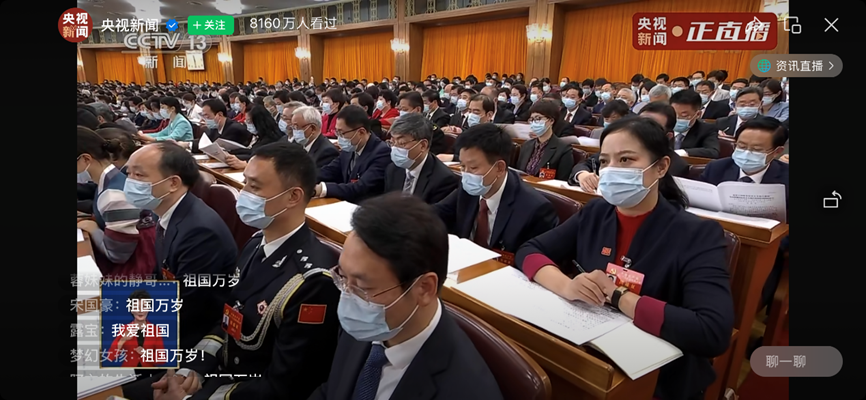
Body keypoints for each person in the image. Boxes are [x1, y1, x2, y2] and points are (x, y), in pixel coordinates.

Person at [516, 117, 734, 400]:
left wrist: (618, 295)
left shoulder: (697, 234)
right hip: (588, 350)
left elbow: (712, 331)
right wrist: (566, 286)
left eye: (626, 159)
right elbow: (529, 251)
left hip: (656, 374)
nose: (611, 170)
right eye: (604, 161)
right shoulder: (596, 212)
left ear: (661, 167)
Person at [125, 142, 342, 400]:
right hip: (218, 368)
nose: (243, 192)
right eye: (245, 182)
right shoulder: (257, 243)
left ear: (293, 197)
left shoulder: (312, 281)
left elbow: (286, 385)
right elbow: (229, 317)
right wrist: (193, 369)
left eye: (254, 187)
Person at [308, 194, 504, 400]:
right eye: (342, 277)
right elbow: (333, 390)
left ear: (424, 288)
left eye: (363, 287)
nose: (348, 297)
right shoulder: (363, 322)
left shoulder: (468, 390)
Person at [123, 142, 237, 350]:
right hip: (168, 312)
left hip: (193, 333)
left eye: (139, 175)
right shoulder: (165, 212)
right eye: (128, 173)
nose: (130, 182)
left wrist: (121, 322)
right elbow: (159, 277)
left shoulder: (200, 232)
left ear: (173, 183)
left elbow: (187, 306)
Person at [433, 123, 558, 257]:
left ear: (499, 168)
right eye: (463, 166)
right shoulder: (467, 188)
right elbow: (436, 213)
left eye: (473, 168)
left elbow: (534, 257)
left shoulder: (534, 208)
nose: (466, 174)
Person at [77, 127, 156, 278]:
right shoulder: (111, 179)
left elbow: (116, 255)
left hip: (134, 270)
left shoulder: (114, 197)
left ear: (86, 159)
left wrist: (93, 228)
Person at [315, 105, 391, 203]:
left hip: (365, 205)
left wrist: (322, 189)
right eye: (337, 132)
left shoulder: (382, 153)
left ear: (361, 132)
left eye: (342, 133)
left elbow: (360, 187)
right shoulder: (350, 147)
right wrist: (306, 180)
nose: (339, 137)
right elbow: (330, 170)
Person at [383, 114, 459, 204]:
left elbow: (432, 212)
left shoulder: (443, 179)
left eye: (401, 143)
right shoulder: (392, 169)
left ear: (423, 145)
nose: (395, 148)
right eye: (392, 142)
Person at [106, 290, 167, 368]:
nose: (140, 310)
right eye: (136, 307)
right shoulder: (124, 329)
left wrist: (145, 353)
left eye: (144, 306)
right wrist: (123, 339)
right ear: (131, 310)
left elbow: (162, 359)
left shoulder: (155, 330)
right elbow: (110, 357)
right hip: (129, 371)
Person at [516, 101, 574, 181]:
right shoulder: (526, 145)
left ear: (551, 121)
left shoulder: (563, 149)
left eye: (538, 119)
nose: (534, 123)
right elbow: (519, 173)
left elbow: (562, 181)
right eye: (532, 119)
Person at [180, 99, 252, 152]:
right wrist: (186, 143)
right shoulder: (214, 128)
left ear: (219, 114)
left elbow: (212, 146)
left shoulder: (234, 129)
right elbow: (205, 141)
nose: (204, 119)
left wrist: (188, 145)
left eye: (207, 116)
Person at [670, 90, 720, 158]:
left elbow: (713, 152)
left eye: (684, 116)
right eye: (674, 114)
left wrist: (682, 152)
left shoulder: (707, 130)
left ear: (698, 114)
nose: (677, 119)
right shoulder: (663, 127)